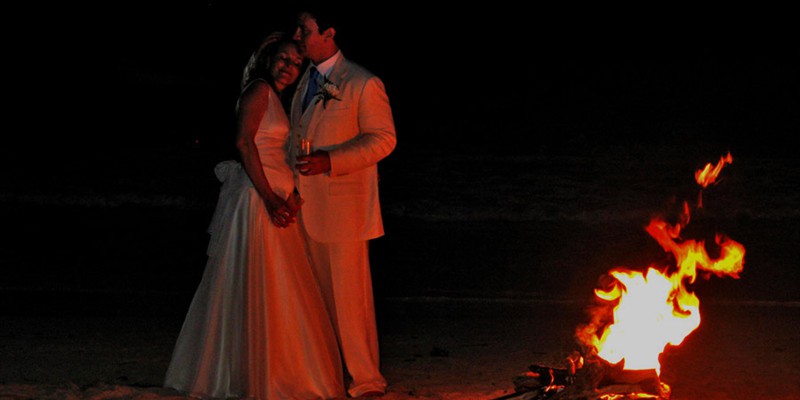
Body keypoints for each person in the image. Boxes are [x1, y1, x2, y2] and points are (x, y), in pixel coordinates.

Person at [163, 34, 345, 399]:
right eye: (283, 59)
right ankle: (248, 374)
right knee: (254, 285)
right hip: (255, 200)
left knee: (278, 286)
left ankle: (275, 368)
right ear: (267, 59)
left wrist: (289, 196)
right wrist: (269, 199)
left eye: (296, 63)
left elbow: (276, 153)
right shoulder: (257, 90)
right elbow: (245, 143)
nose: (289, 67)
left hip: (273, 197)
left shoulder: (277, 98)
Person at [289, 6, 397, 398]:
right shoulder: (305, 81)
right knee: (317, 300)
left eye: (305, 30)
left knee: (352, 304)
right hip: (306, 207)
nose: (298, 36)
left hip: (345, 209)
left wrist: (330, 160)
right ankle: (330, 374)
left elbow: (383, 139)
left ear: (329, 33)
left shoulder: (363, 82)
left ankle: (367, 380)